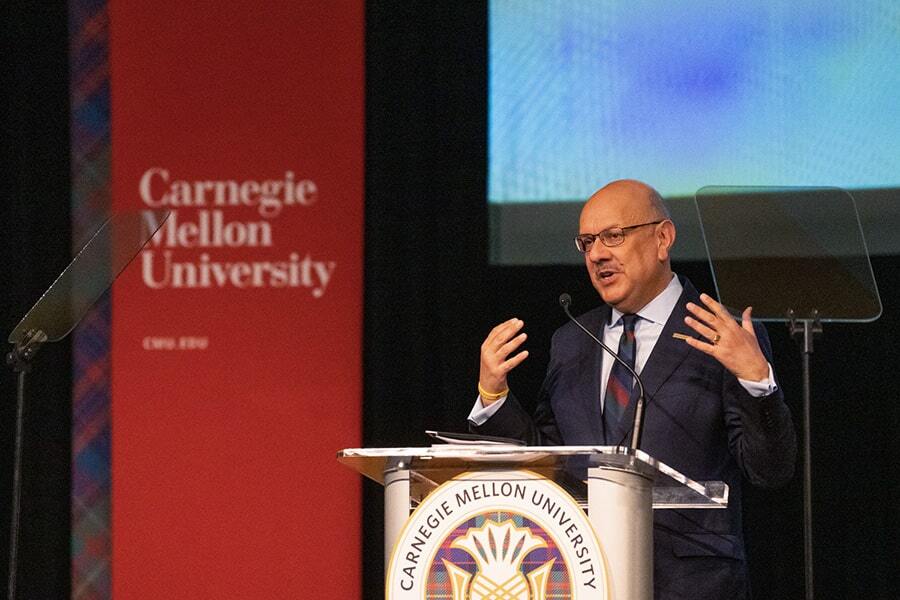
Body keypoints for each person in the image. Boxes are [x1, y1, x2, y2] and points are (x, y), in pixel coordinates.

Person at [469, 179, 796, 599]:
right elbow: (547, 464)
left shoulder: (721, 335)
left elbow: (769, 470)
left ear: (663, 238)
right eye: (586, 242)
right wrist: (494, 397)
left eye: (613, 236)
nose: (597, 254)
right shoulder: (571, 342)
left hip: (691, 585)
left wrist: (758, 382)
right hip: (584, 576)